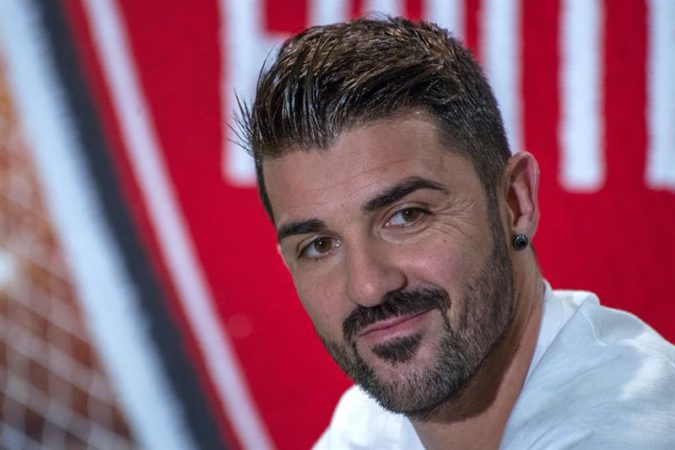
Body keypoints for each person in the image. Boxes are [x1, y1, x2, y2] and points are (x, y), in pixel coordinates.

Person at [237, 17, 675, 450]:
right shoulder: (367, 427)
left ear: (515, 202)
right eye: (319, 246)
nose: (368, 287)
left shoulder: (622, 429)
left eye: (406, 216)